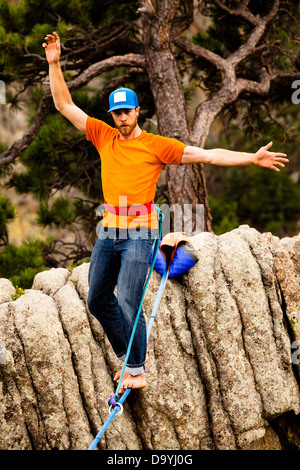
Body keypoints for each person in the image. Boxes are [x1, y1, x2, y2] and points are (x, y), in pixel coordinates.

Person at [42, 32, 288, 393]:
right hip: (110, 230)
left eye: (127, 111)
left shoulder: (156, 146)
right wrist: (54, 63)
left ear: (137, 111)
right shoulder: (102, 135)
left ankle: (136, 369)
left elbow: (206, 154)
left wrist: (251, 157)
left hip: (141, 232)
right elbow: (65, 106)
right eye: (116, 112)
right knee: (97, 298)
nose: (122, 117)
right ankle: (128, 357)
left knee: (128, 299)